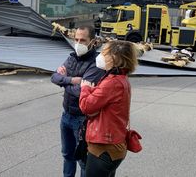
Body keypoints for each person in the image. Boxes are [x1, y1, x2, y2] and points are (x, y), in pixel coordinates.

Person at [51, 25, 105, 177]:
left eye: (83, 40)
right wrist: (71, 80)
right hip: (66, 115)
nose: (78, 44)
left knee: (83, 160)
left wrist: (64, 83)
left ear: (92, 42)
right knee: (67, 155)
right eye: (76, 39)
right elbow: (54, 77)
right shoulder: (72, 57)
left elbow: (82, 92)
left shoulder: (96, 64)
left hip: (82, 119)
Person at [79, 40, 138, 177]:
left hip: (103, 148)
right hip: (113, 146)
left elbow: (86, 106)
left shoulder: (112, 83)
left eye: (104, 54)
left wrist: (85, 88)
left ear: (114, 58)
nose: (100, 57)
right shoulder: (120, 79)